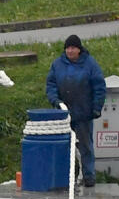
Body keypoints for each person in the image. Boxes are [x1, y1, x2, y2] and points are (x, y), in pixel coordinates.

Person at [45, 33, 107, 186]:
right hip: (64, 114)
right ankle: (64, 178)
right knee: (63, 147)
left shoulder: (90, 64)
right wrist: (56, 101)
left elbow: (99, 87)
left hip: (83, 114)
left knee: (86, 147)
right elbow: (51, 85)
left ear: (79, 49)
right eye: (68, 48)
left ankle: (89, 177)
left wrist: (96, 108)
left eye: (73, 48)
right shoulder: (57, 64)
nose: (70, 51)